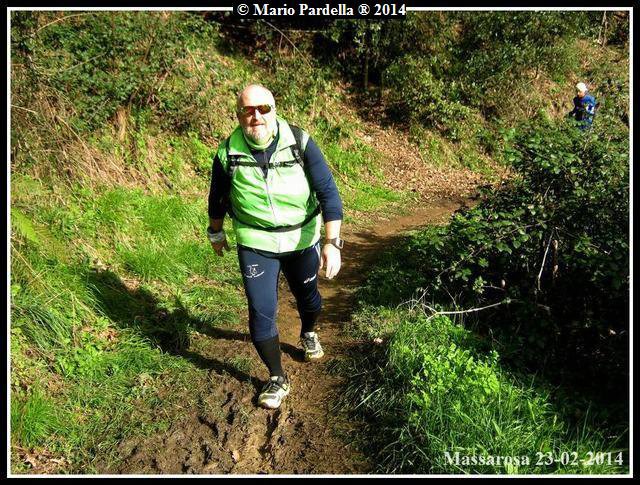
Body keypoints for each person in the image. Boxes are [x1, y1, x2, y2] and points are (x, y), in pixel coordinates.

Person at [206, 84, 344, 410]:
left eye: (263, 109)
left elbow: (328, 192)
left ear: (274, 110)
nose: (256, 116)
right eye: (247, 110)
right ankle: (277, 377)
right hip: (256, 241)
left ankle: (308, 332)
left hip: (301, 238)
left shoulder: (300, 142)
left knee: (307, 297)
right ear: (238, 115)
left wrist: (332, 242)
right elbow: (217, 198)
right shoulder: (227, 153)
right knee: (260, 310)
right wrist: (216, 233)